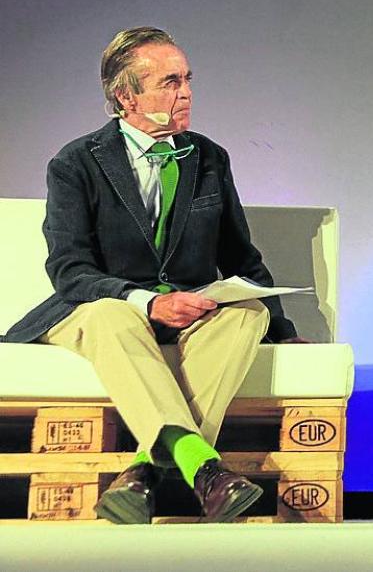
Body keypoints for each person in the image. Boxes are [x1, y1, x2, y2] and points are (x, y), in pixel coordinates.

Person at [3, 27, 306, 524]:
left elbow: (239, 256)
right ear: (126, 96)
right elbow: (69, 270)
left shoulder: (208, 157)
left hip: (183, 309)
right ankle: (204, 469)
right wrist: (145, 301)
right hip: (98, 309)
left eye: (187, 79)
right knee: (111, 317)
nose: (185, 92)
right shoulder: (75, 163)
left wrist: (283, 330)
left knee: (245, 312)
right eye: (168, 82)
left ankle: (144, 472)